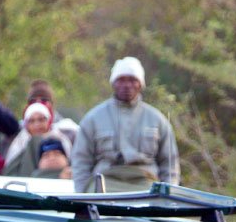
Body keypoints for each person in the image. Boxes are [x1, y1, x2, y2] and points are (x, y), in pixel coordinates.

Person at [71, 56, 179, 193]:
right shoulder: (93, 118)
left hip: (146, 184)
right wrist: (82, 196)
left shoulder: (158, 120)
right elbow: (81, 160)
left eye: (132, 80)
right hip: (104, 183)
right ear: (113, 83)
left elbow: (169, 163)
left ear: (140, 84)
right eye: (121, 80)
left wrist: (168, 195)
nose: (127, 85)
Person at [1, 102, 71, 176]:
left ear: (48, 121)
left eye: (41, 120)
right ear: (26, 124)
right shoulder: (19, 143)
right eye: (32, 121)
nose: (37, 124)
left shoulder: (60, 139)